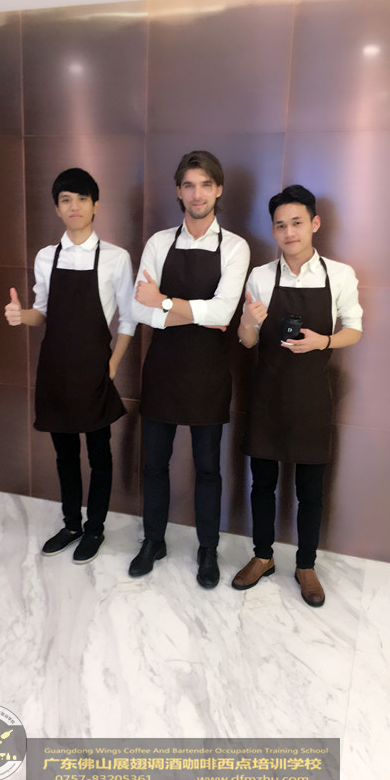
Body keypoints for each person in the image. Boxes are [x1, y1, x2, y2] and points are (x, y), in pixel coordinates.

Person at [232, 184, 362, 606]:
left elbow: (354, 329)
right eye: (280, 225)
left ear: (314, 224)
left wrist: (324, 341)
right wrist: (248, 321)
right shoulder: (260, 276)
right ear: (273, 230)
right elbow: (247, 341)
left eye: (297, 223)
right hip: (268, 395)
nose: (289, 233)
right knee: (262, 485)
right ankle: (263, 556)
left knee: (311, 491)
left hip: (311, 397)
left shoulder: (339, 275)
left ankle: (306, 565)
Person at [129, 151, 250, 588]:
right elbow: (138, 311)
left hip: (208, 373)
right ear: (178, 192)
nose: (197, 194)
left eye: (205, 185)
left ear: (218, 190)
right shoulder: (159, 243)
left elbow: (223, 314)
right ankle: (153, 541)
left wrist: (163, 302)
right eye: (188, 185)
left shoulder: (234, 246)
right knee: (154, 464)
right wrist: (195, 313)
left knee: (208, 469)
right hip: (162, 369)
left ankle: (208, 549)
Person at [5, 168, 135, 563]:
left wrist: (112, 366)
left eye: (81, 198)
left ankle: (95, 528)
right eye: (66, 200)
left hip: (95, 373)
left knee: (99, 454)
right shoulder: (47, 256)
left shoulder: (116, 257)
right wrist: (21, 316)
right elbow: (42, 312)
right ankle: (71, 524)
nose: (74, 206)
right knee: (64, 456)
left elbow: (129, 319)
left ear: (96, 205)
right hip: (55, 372)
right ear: (57, 209)